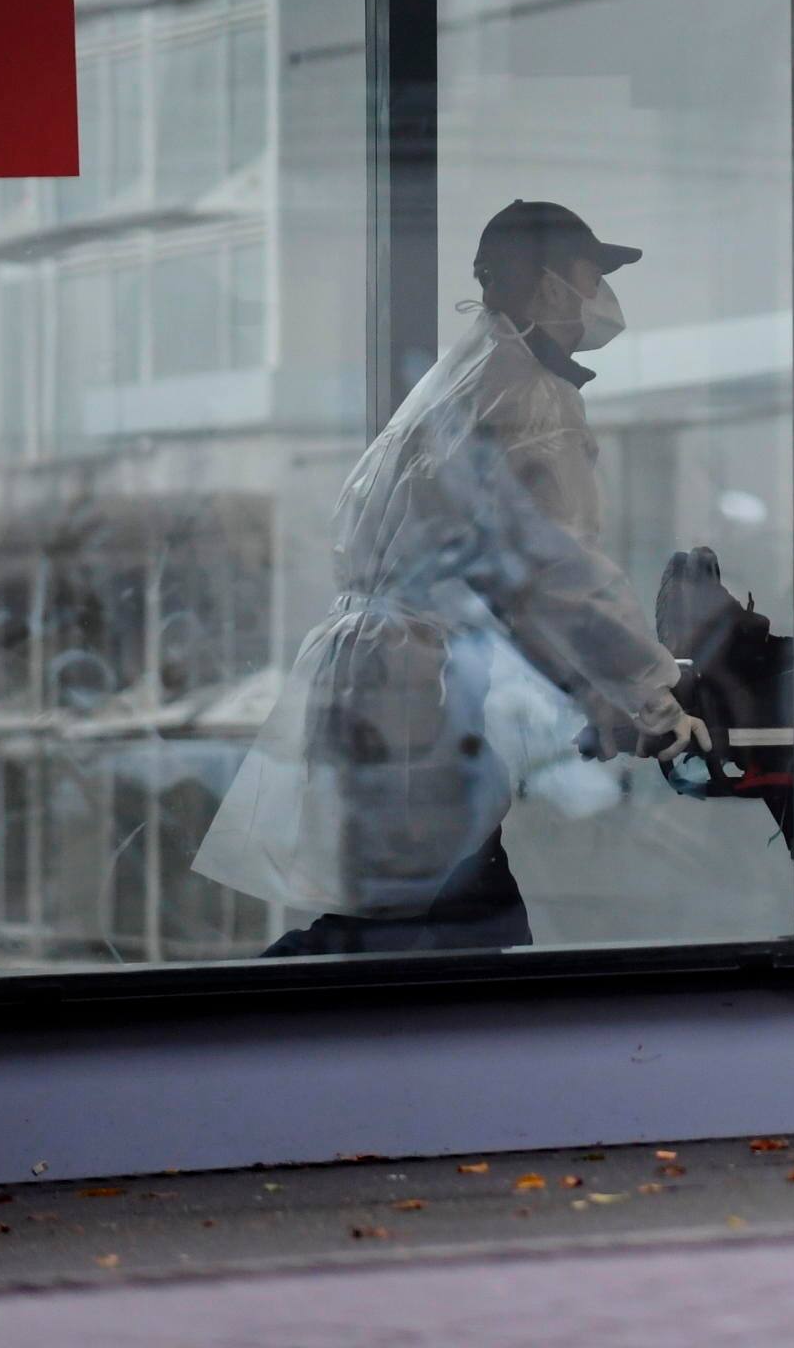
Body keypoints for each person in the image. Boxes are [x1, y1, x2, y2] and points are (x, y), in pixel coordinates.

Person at [193, 200, 708, 955]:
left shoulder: (466, 372)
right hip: (419, 698)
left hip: (388, 676)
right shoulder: (532, 397)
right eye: (589, 274)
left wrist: (596, 695)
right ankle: (237, 1038)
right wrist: (652, 701)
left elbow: (509, 582)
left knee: (417, 919)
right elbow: (562, 575)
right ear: (546, 285)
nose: (602, 294)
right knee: (426, 934)